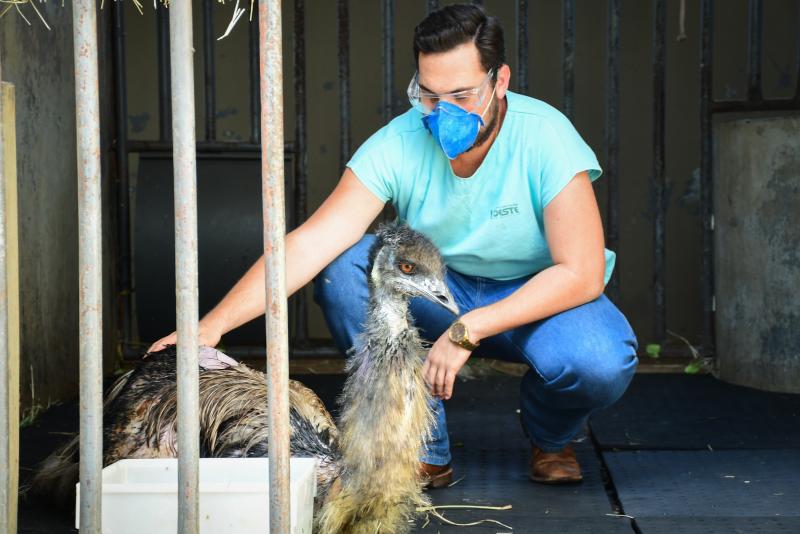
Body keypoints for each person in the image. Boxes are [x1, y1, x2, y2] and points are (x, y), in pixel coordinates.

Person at [150, 3, 638, 487]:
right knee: (345, 269)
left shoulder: (546, 137)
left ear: (500, 80)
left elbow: (582, 272)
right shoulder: (398, 142)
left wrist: (469, 328)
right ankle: (424, 448)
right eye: (428, 96)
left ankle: (551, 437)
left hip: (538, 296)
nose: (443, 113)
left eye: (463, 96)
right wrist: (209, 328)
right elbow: (313, 241)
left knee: (600, 361)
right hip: (439, 290)